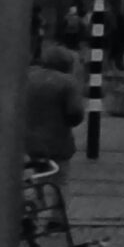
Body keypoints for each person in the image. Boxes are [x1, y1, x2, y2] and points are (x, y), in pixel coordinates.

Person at [26, 42, 85, 172]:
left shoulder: (29, 76)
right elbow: (75, 113)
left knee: (35, 176)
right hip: (58, 143)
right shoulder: (68, 82)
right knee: (59, 181)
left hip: (29, 141)